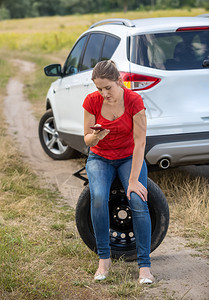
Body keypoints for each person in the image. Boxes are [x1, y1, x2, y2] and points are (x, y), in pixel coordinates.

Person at [82, 60, 154, 284]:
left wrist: (133, 180)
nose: (104, 93)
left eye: (108, 88)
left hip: (128, 157)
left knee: (138, 200)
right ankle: (104, 258)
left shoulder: (134, 101)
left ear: (119, 81)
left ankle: (144, 266)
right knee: (99, 198)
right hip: (99, 157)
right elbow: (86, 138)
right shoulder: (91, 101)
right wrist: (96, 136)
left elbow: (140, 143)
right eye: (99, 89)